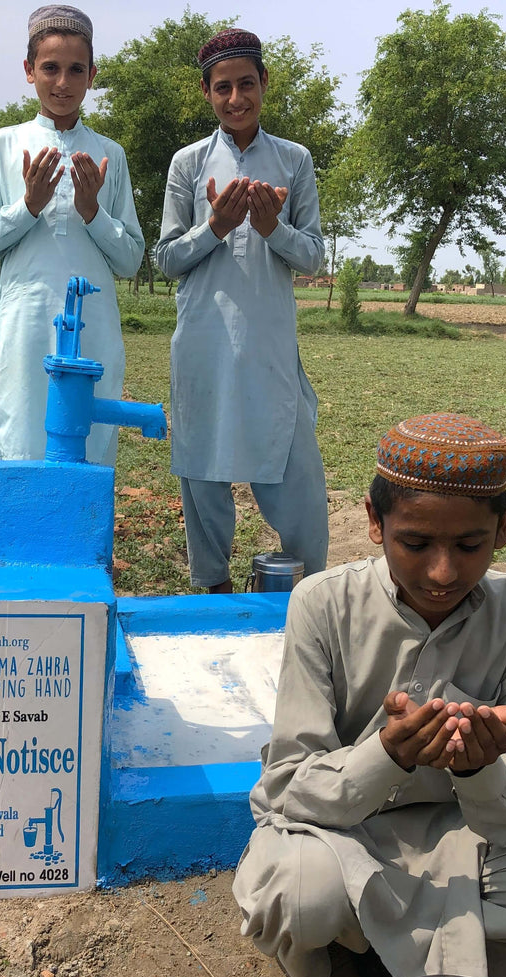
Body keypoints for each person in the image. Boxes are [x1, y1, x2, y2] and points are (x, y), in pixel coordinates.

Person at [232, 413, 506, 977]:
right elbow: (285, 792)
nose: (442, 573)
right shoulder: (322, 604)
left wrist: (482, 768)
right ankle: (325, 975)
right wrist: (388, 754)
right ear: (375, 522)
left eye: (469, 546)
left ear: (504, 528)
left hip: (466, 843)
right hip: (338, 835)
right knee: (294, 894)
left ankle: (404, 969)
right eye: (416, 543)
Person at [156, 28, 328, 594]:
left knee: (295, 471)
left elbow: (313, 254)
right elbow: (165, 259)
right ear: (206, 91)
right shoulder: (188, 164)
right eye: (223, 87)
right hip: (204, 344)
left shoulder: (294, 161)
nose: (236, 99)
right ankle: (212, 588)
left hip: (270, 347)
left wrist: (272, 228)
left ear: (264, 83)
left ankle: (307, 596)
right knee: (203, 472)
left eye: (246, 84)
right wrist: (217, 227)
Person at [0, 5, 144, 467]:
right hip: (25, 324)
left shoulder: (110, 155)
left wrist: (93, 212)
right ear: (29, 71)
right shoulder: (3, 145)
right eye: (50, 68)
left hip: (95, 327)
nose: (62, 82)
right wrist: (27, 205)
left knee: (87, 445)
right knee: (20, 437)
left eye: (75, 70)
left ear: (92, 75)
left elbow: (130, 260)